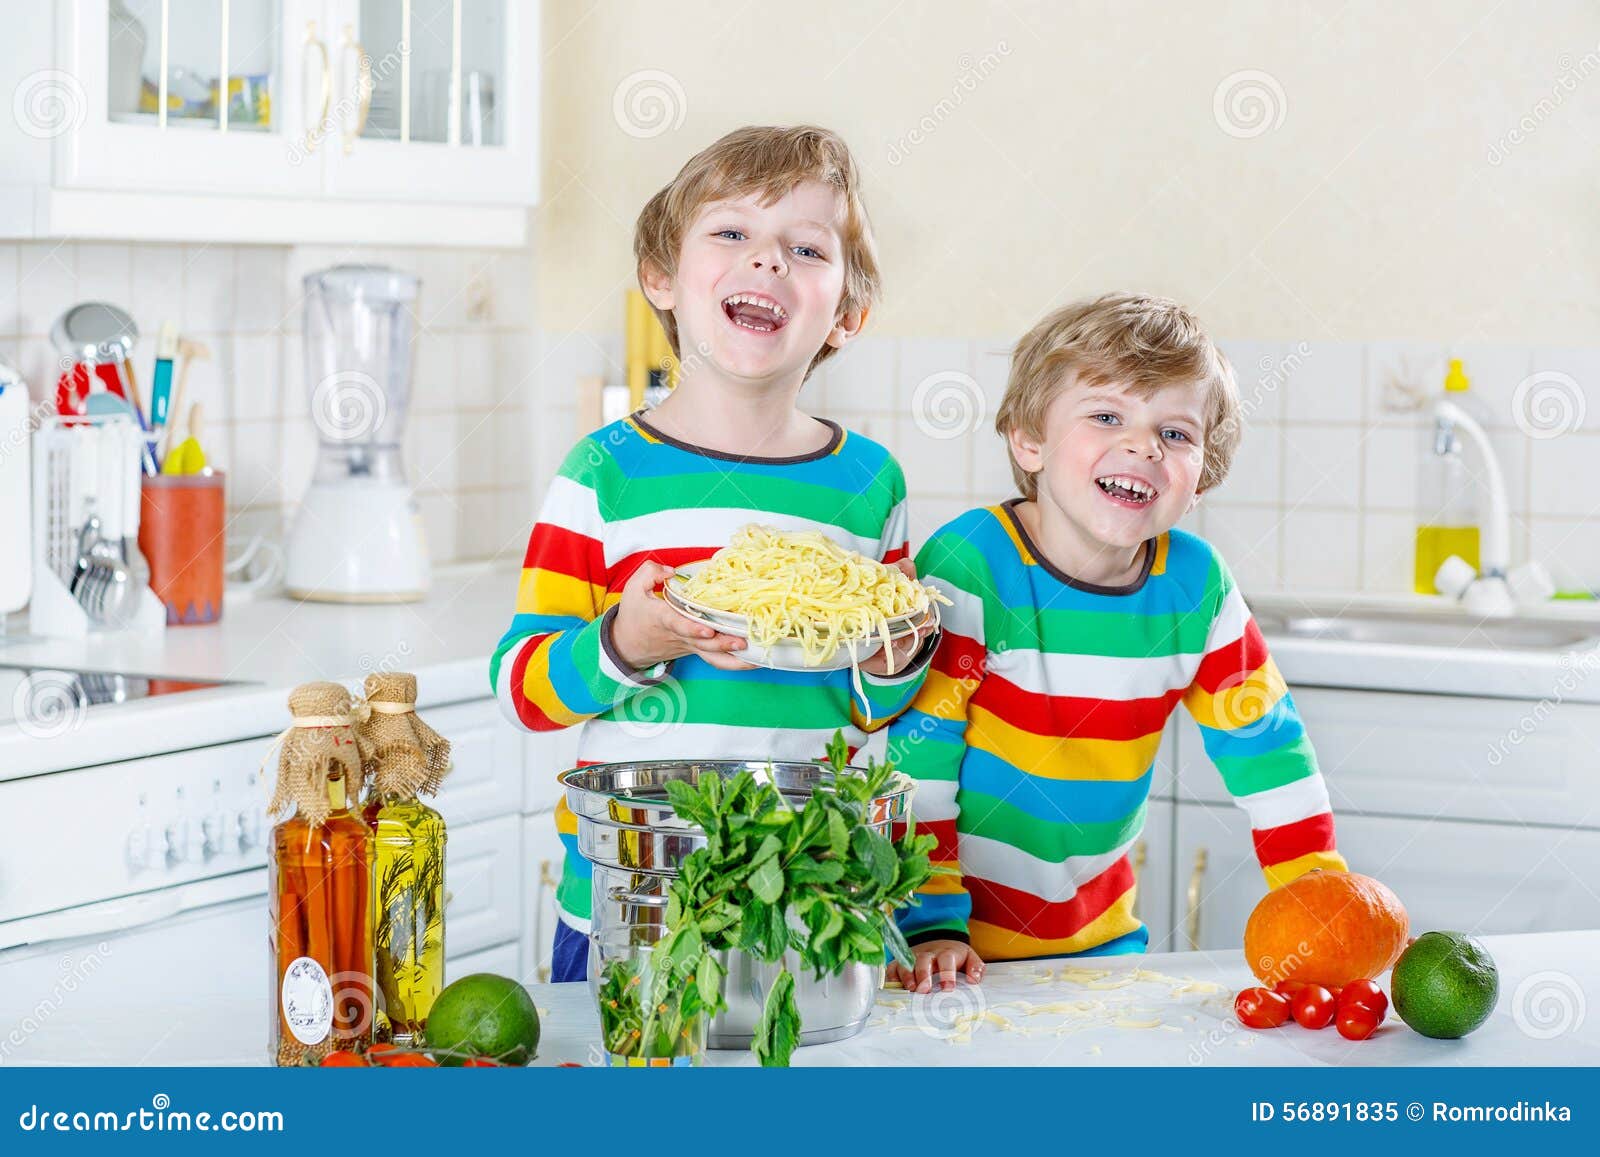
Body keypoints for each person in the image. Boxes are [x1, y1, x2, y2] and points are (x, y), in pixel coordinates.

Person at [493, 126, 936, 982]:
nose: (766, 261)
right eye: (731, 233)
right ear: (661, 276)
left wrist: (894, 660)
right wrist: (625, 642)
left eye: (807, 248)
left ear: (847, 315)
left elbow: (877, 706)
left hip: (805, 903)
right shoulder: (602, 474)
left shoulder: (869, 482)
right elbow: (521, 689)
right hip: (634, 904)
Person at [885, 292, 1347, 993]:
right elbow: (918, 760)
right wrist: (933, 921)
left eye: (1176, 433)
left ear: (1201, 478)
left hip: (1098, 946)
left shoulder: (1195, 586)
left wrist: (1321, 895)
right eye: (1107, 416)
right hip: (941, 950)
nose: (1143, 446)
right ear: (1029, 440)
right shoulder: (973, 563)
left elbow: (1267, 751)